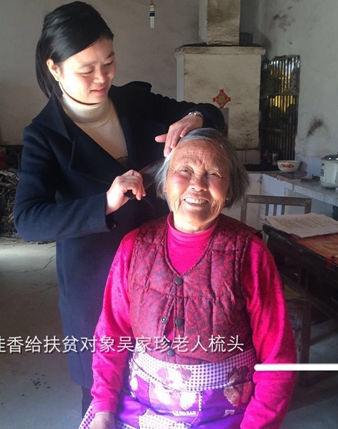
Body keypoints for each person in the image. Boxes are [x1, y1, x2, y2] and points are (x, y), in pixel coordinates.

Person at [13, 1, 225, 414]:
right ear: (55, 68)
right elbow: (28, 220)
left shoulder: (133, 101)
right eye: (86, 69)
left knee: (166, 379)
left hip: (162, 271)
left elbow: (212, 113)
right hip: (96, 278)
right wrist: (104, 204)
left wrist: (195, 118)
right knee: (102, 392)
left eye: (109, 63)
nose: (102, 78)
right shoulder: (45, 135)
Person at [80, 128, 297, 429]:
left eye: (214, 174)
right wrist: (104, 408)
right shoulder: (134, 246)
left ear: (229, 188)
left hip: (227, 419)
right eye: (184, 170)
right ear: (164, 182)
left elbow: (277, 357)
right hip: (139, 411)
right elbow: (111, 335)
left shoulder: (251, 253)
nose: (198, 184)